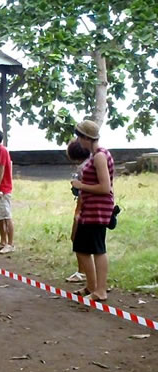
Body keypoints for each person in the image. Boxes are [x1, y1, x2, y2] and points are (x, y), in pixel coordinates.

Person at [71, 120, 115, 301]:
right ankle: (91, 286)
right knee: (81, 248)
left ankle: (100, 290)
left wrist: (81, 185)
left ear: (86, 138)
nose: (78, 141)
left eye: (79, 136)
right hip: (91, 210)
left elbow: (105, 187)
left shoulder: (99, 157)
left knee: (97, 249)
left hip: (98, 211)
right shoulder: (96, 155)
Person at [66, 139, 91, 283]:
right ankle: (84, 272)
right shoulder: (89, 164)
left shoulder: (83, 168)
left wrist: (78, 211)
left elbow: (82, 192)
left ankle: (83, 272)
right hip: (88, 208)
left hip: (83, 208)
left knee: (77, 239)